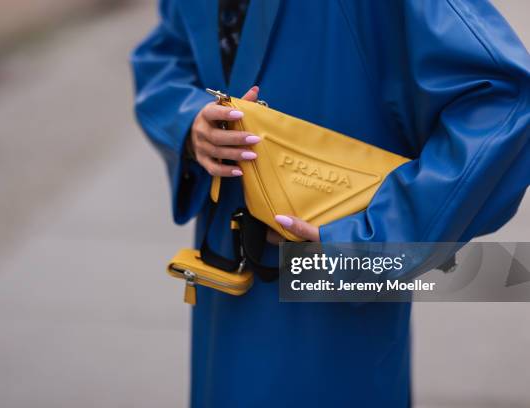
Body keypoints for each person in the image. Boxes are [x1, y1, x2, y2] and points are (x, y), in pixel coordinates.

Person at [131, 1, 530, 406]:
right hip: (223, 272)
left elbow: (504, 102)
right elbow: (164, 54)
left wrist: (371, 241)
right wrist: (188, 121)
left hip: (328, 285)